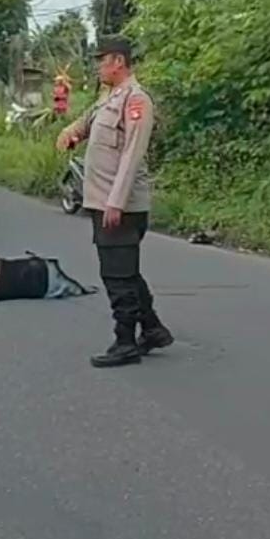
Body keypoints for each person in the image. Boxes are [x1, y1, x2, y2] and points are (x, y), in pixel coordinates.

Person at [56, 35, 174, 368]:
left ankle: (125, 342)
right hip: (103, 201)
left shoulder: (136, 100)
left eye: (102, 60)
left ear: (118, 62)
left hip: (120, 205)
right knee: (126, 271)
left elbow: (132, 155)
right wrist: (72, 132)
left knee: (117, 275)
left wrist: (115, 202)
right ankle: (152, 329)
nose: (98, 67)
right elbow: (86, 123)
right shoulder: (110, 99)